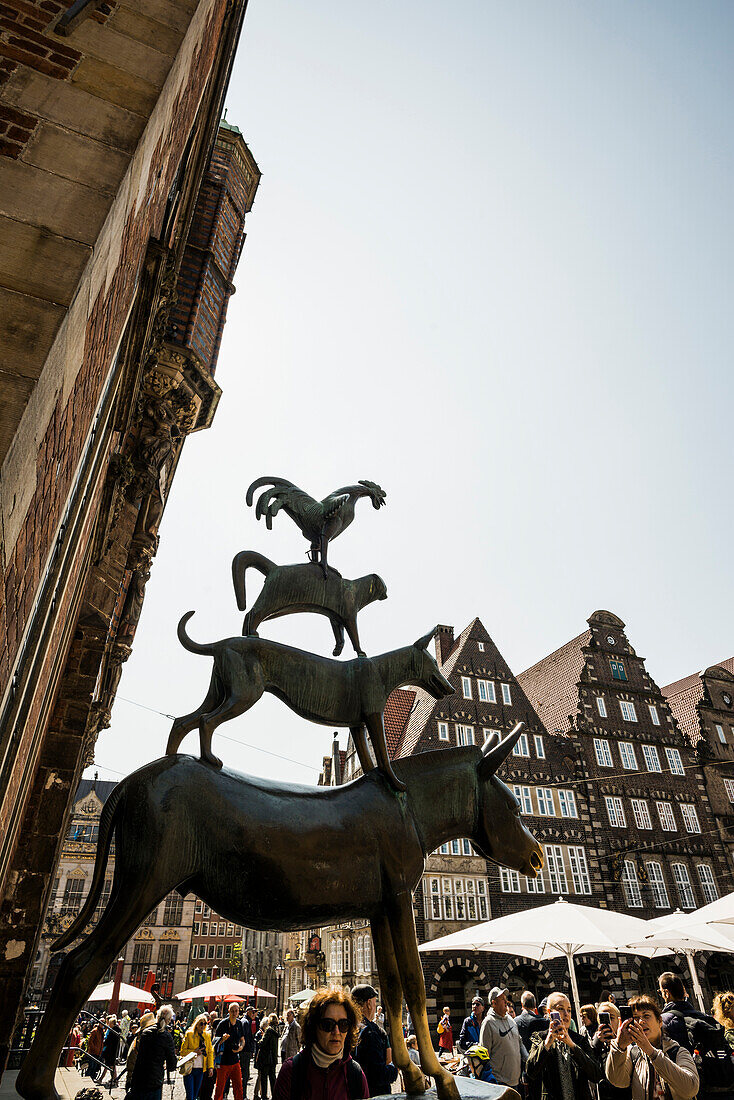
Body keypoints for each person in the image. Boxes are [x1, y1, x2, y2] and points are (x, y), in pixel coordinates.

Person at [274, 988, 368, 1100]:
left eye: (343, 1024)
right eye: (328, 1024)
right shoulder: (291, 1071)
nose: (336, 1032)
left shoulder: (355, 1075)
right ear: (314, 1026)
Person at [606, 994, 698, 1100]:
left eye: (646, 1016)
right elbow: (617, 1080)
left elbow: (690, 1088)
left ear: (659, 1021)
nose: (641, 1022)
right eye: (635, 1018)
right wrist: (619, 1046)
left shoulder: (677, 1052)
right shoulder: (633, 1054)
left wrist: (652, 1052)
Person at [526, 992, 602, 1100]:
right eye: (561, 1009)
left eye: (569, 1010)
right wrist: (547, 1043)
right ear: (549, 1012)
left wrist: (572, 1046)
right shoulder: (539, 1038)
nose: (566, 1014)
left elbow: (596, 1075)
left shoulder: (579, 1040)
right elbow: (531, 1072)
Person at [352, 984, 399, 1097]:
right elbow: (379, 1074)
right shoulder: (371, 1032)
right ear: (368, 1003)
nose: (375, 1005)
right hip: (374, 1094)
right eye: (374, 1002)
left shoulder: (347, 1027)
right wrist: (394, 1068)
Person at [479, 986, 528, 1092]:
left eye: (505, 998)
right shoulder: (488, 1023)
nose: (506, 1001)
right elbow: (484, 1053)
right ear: (494, 1003)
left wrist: (528, 1061)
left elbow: (519, 1043)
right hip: (499, 1082)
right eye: (502, 999)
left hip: (516, 1081)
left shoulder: (511, 1020)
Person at [128, 1004, 177, 1100]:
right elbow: (172, 1065)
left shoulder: (145, 1032)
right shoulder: (166, 1036)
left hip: (140, 1077)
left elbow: (140, 1056)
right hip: (155, 1080)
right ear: (168, 1020)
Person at [658, 972, 716, 1051]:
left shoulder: (663, 1021)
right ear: (683, 991)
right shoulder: (703, 1017)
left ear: (666, 993)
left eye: (660, 992)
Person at [588, 1001, 630, 1100]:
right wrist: (596, 1044)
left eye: (611, 1018)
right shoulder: (593, 1043)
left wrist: (617, 1043)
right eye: (603, 1018)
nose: (608, 1022)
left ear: (619, 1020)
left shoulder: (628, 1042)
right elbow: (590, 1068)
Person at [214, 1002, 246, 1100]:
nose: (234, 1013)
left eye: (236, 1011)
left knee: (238, 1087)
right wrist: (222, 1039)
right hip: (223, 1062)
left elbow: (242, 1039)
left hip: (235, 1061)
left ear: (239, 1011)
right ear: (229, 1011)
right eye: (232, 1011)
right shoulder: (223, 1024)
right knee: (220, 1088)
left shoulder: (239, 1023)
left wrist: (241, 1047)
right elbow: (214, 1041)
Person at [179, 1014, 215, 1100]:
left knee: (195, 1095)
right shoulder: (189, 1034)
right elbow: (182, 1052)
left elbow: (210, 1052)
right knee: (190, 1096)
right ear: (196, 1024)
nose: (203, 1026)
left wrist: (210, 1067)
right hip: (189, 1068)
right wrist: (194, 1052)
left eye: (205, 1024)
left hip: (200, 1069)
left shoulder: (207, 1035)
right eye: (201, 1024)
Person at [255, 1014, 279, 1100]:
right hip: (273, 1058)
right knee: (272, 1078)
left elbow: (262, 1043)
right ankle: (274, 1095)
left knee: (264, 1078)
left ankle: (264, 1096)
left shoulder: (268, 1030)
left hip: (265, 1058)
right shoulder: (277, 1029)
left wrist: (258, 1040)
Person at [98, 1015, 122, 1086]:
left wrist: (103, 1043)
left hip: (110, 1051)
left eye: (109, 1023)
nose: (108, 1024)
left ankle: (114, 1080)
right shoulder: (116, 1031)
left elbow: (108, 1041)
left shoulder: (113, 1031)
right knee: (109, 1066)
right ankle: (112, 1080)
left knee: (110, 1066)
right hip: (112, 1051)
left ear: (112, 1024)